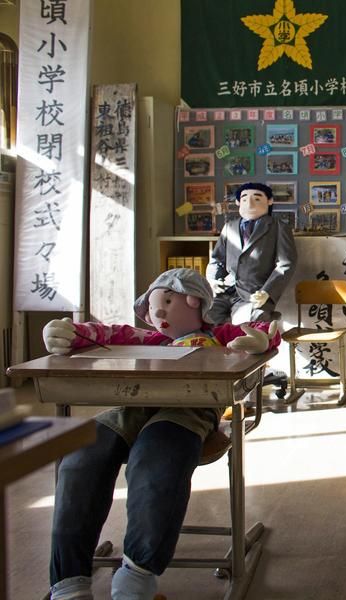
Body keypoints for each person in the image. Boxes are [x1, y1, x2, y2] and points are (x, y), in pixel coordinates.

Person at [42, 268, 280, 600]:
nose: (159, 312)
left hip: (189, 410)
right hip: (131, 406)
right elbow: (104, 334)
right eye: (154, 305)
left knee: (157, 458)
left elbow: (260, 329)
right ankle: (69, 581)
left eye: (168, 301)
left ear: (194, 302)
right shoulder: (148, 338)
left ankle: (137, 574)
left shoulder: (217, 333)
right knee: (82, 456)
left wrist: (262, 339)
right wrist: (69, 332)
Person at [207, 182, 297, 325]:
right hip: (225, 290)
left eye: (256, 199)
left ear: (269, 201)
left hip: (255, 294)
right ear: (237, 202)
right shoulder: (229, 227)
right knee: (203, 317)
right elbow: (217, 259)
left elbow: (286, 263)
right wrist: (213, 280)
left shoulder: (278, 227)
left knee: (248, 325)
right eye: (243, 199)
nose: (249, 203)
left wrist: (267, 292)